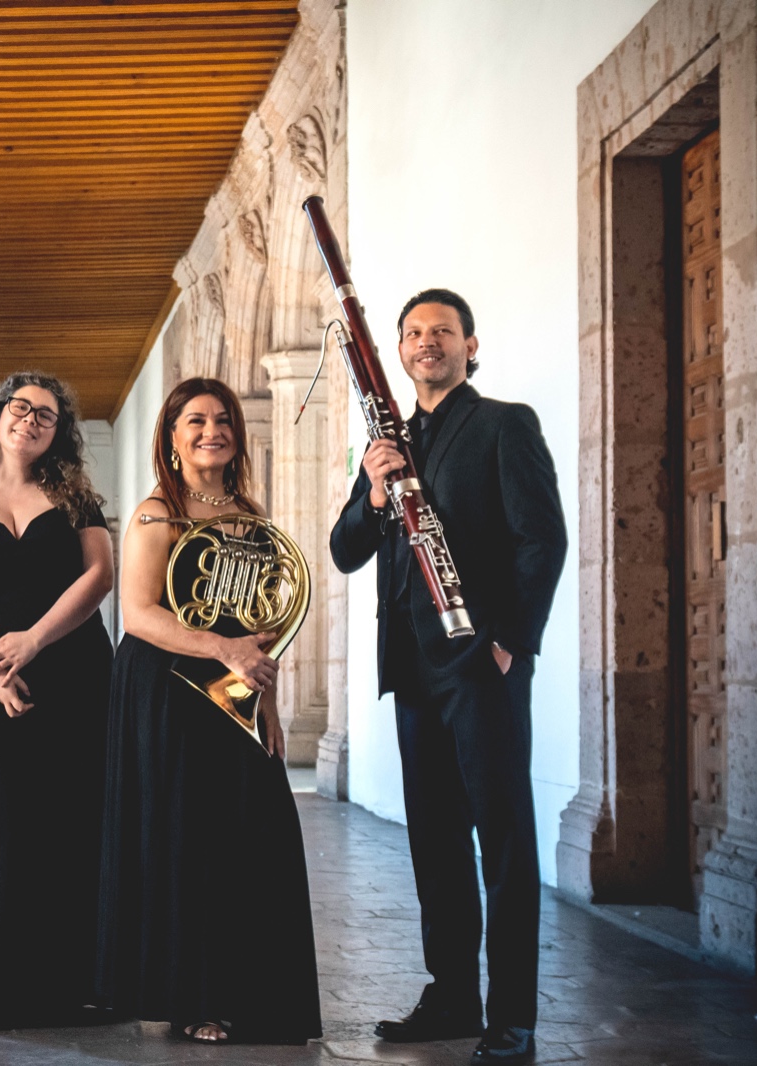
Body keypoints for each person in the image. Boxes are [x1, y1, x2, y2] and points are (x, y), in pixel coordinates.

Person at [330, 289, 566, 1064]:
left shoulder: (504, 424)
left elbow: (542, 540)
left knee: (503, 840)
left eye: (442, 331)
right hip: (412, 668)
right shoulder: (388, 441)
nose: (426, 342)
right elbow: (345, 549)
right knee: (435, 843)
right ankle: (454, 997)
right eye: (413, 333)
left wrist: (509, 645)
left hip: (478, 666)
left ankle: (514, 1018)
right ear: (399, 351)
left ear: (471, 346)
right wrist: (373, 490)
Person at [97, 377, 322, 1046]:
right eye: (194, 420)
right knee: (186, 838)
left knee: (251, 831)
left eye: (222, 419)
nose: (211, 431)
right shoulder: (155, 514)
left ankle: (251, 992)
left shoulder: (251, 513)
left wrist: (270, 701)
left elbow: (264, 621)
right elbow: (139, 616)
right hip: (168, 686)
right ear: (172, 436)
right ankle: (194, 999)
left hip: (235, 686)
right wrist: (224, 649)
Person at [0, 372, 115, 1030]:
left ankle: (72, 990)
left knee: (71, 823)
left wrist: (33, 640)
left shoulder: (76, 499)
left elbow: (100, 576)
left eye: (46, 414)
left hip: (73, 674)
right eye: (21, 407)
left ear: (58, 431)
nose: (31, 419)